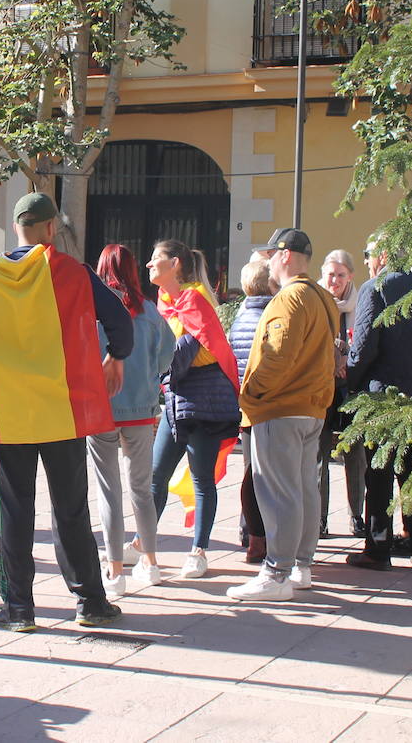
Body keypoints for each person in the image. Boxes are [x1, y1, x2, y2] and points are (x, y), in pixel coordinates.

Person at [0, 192, 130, 633]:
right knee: (70, 508)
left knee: (14, 510)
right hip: (61, 411)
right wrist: (117, 357)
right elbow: (119, 321)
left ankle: (19, 609)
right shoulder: (72, 272)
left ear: (16, 228)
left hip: (9, 414)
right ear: (52, 228)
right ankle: (90, 601)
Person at [227, 228, 337, 602]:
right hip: (310, 407)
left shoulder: (288, 300)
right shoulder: (322, 297)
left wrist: (251, 394)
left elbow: (277, 354)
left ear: (285, 256)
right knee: (304, 490)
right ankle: (300, 566)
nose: (268, 262)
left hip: (279, 407)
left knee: (279, 494)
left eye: (271, 255)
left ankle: (277, 573)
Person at [344, 241, 412, 572]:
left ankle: (377, 548)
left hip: (383, 398)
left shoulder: (375, 288)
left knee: (379, 474)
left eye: (367, 255)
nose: (366, 262)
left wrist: (349, 381)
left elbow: (362, 347)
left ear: (382, 257)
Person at [146, 240, 242, 580]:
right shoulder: (166, 303)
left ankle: (198, 551)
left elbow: (180, 355)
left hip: (203, 402)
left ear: (174, 264)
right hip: (177, 400)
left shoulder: (193, 301)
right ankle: (143, 543)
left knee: (202, 478)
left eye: (155, 259)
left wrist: (157, 369)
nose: (148, 264)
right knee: (155, 475)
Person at [87, 244, 173, 597]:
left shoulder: (93, 310)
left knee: (109, 491)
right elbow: (168, 353)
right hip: (140, 408)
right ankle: (150, 562)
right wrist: (150, 377)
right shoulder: (150, 311)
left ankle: (114, 571)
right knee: (141, 488)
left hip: (102, 409)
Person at [228, 258, 276, 564]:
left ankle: (249, 531)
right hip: (268, 405)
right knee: (267, 475)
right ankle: (265, 536)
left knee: (249, 470)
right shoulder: (271, 316)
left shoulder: (240, 317)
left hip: (245, 405)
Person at [317, 248, 365, 537]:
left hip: (351, 384)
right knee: (319, 453)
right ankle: (319, 518)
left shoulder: (361, 301)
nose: (334, 281)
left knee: (354, 452)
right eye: (330, 274)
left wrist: (350, 360)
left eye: (340, 275)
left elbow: (366, 338)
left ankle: (356, 514)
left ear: (350, 276)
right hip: (322, 385)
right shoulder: (316, 300)